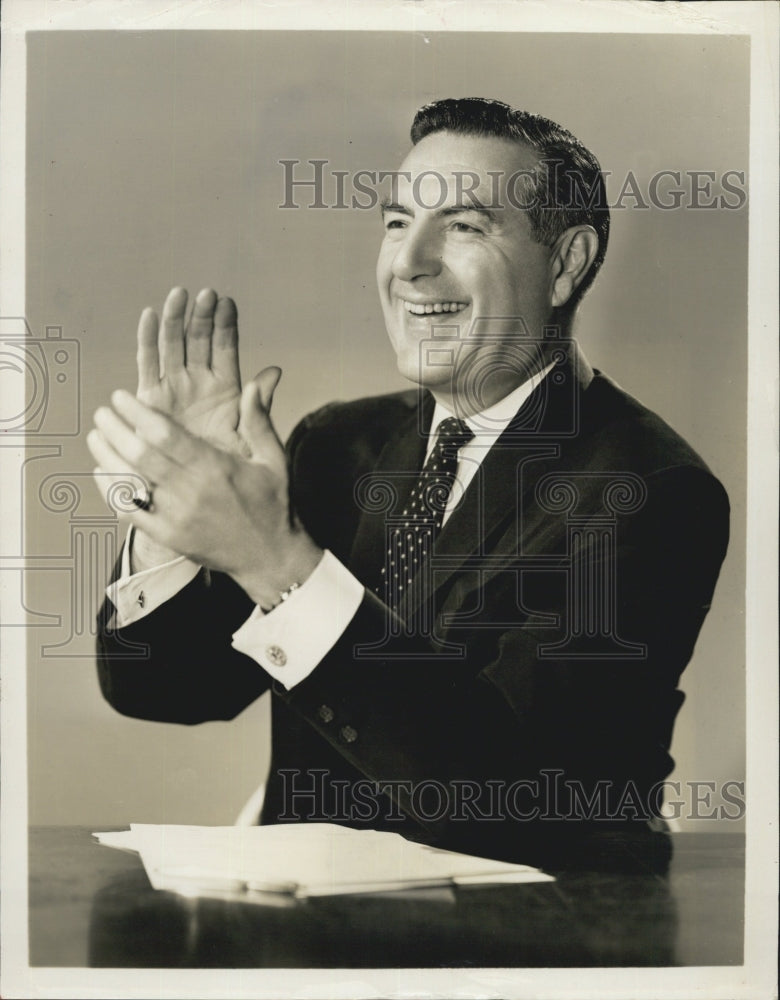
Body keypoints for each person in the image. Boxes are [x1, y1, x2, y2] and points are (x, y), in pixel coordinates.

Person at [90, 98, 729, 869]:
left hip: (530, 947)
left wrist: (275, 562)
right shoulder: (336, 444)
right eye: (396, 224)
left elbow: (507, 792)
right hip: (307, 945)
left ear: (565, 264)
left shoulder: (651, 488)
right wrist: (175, 513)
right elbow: (172, 693)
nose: (408, 263)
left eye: (463, 227)